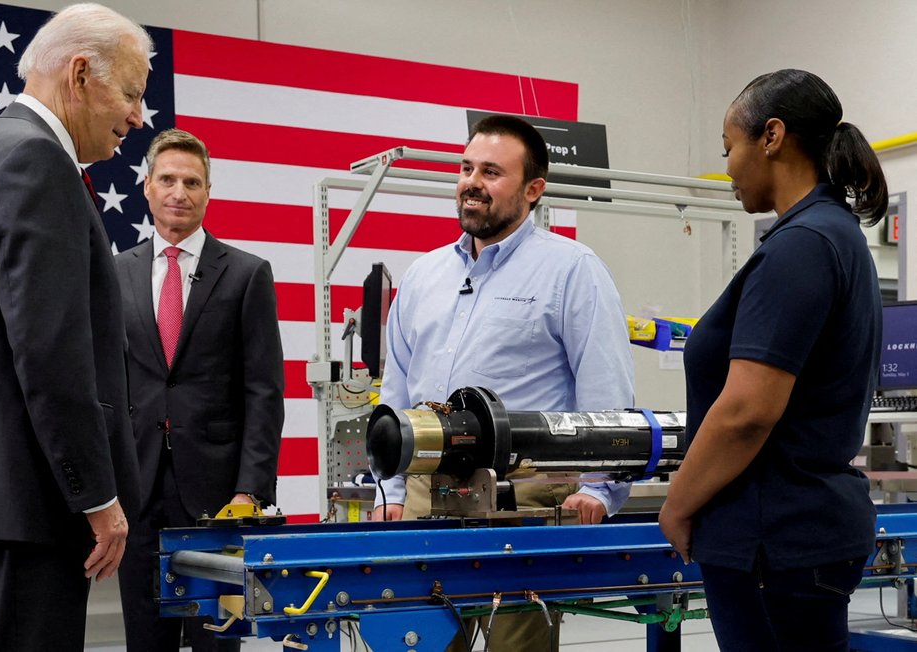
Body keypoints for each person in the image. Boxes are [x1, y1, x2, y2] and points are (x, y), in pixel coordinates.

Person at [373, 114, 635, 650]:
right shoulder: (424, 276)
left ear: (533, 190)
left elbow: (605, 392)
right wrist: (391, 489)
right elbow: (396, 393)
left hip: (525, 496)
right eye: (466, 168)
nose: (472, 181)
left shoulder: (572, 271)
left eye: (492, 172)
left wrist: (599, 489)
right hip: (427, 488)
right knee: (416, 640)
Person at [0, 4, 151, 651]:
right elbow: (51, 355)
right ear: (81, 74)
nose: (138, 117)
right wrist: (98, 498)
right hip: (25, 509)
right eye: (133, 93)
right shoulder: (38, 162)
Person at [658, 69, 886, 652]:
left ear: (772, 137)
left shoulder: (802, 247)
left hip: (773, 540)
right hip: (794, 536)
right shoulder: (833, 236)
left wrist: (678, 503)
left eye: (729, 146)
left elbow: (746, 412)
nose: (727, 166)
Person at [115, 128, 285, 652]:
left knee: (216, 639)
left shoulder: (246, 275)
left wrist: (250, 491)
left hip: (217, 496)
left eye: (192, 181)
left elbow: (264, 392)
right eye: (167, 179)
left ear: (209, 191)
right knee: (146, 637)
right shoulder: (112, 272)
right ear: (147, 187)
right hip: (136, 490)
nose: (179, 192)